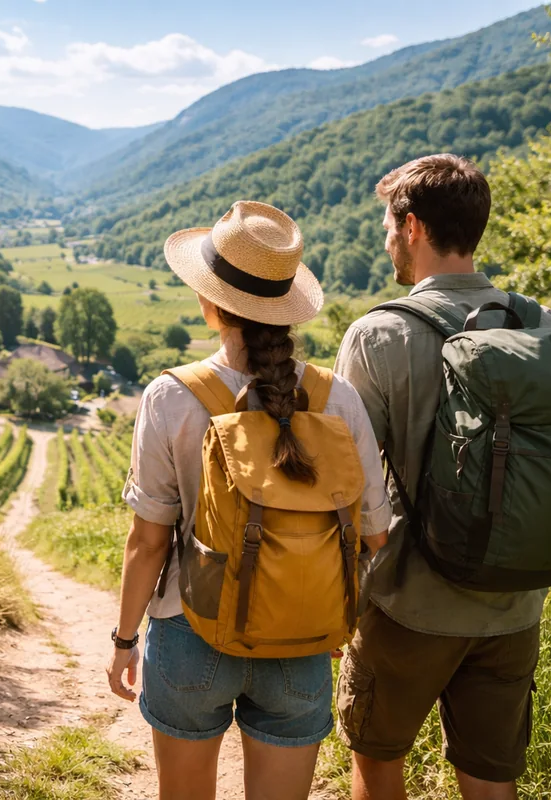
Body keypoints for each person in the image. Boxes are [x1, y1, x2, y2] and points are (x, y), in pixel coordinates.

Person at [105, 200, 391, 800]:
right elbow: (374, 537)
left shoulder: (171, 397)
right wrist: (332, 606)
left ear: (210, 304)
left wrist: (125, 641)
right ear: (286, 309)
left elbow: (149, 540)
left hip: (190, 630)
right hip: (300, 638)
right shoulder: (336, 398)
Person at [333, 154, 551, 800]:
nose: (386, 239)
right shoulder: (543, 325)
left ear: (411, 227)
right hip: (516, 605)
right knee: (493, 781)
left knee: (377, 761)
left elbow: (348, 487)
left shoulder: (378, 334)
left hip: (409, 602)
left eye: (387, 224)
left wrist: (337, 604)